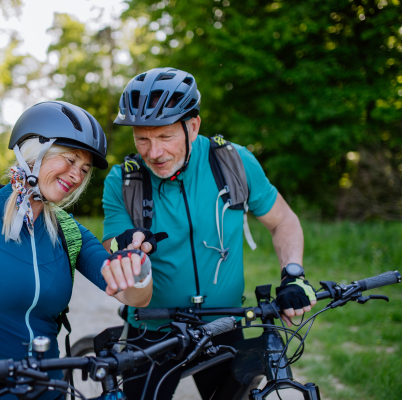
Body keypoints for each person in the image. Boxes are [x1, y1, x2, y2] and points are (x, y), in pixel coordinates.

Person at [0, 101, 153, 400]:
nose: (77, 175)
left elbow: (132, 296)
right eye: (70, 160)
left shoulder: (69, 232)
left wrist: (137, 270)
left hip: (51, 392)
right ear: (33, 152)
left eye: (84, 169)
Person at [102, 68, 317, 400]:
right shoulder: (124, 180)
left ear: (193, 126)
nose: (153, 153)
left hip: (226, 325)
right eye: (142, 138)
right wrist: (124, 244)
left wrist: (293, 273)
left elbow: (283, 221)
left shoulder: (233, 162)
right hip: (151, 329)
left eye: (165, 136)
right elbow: (111, 243)